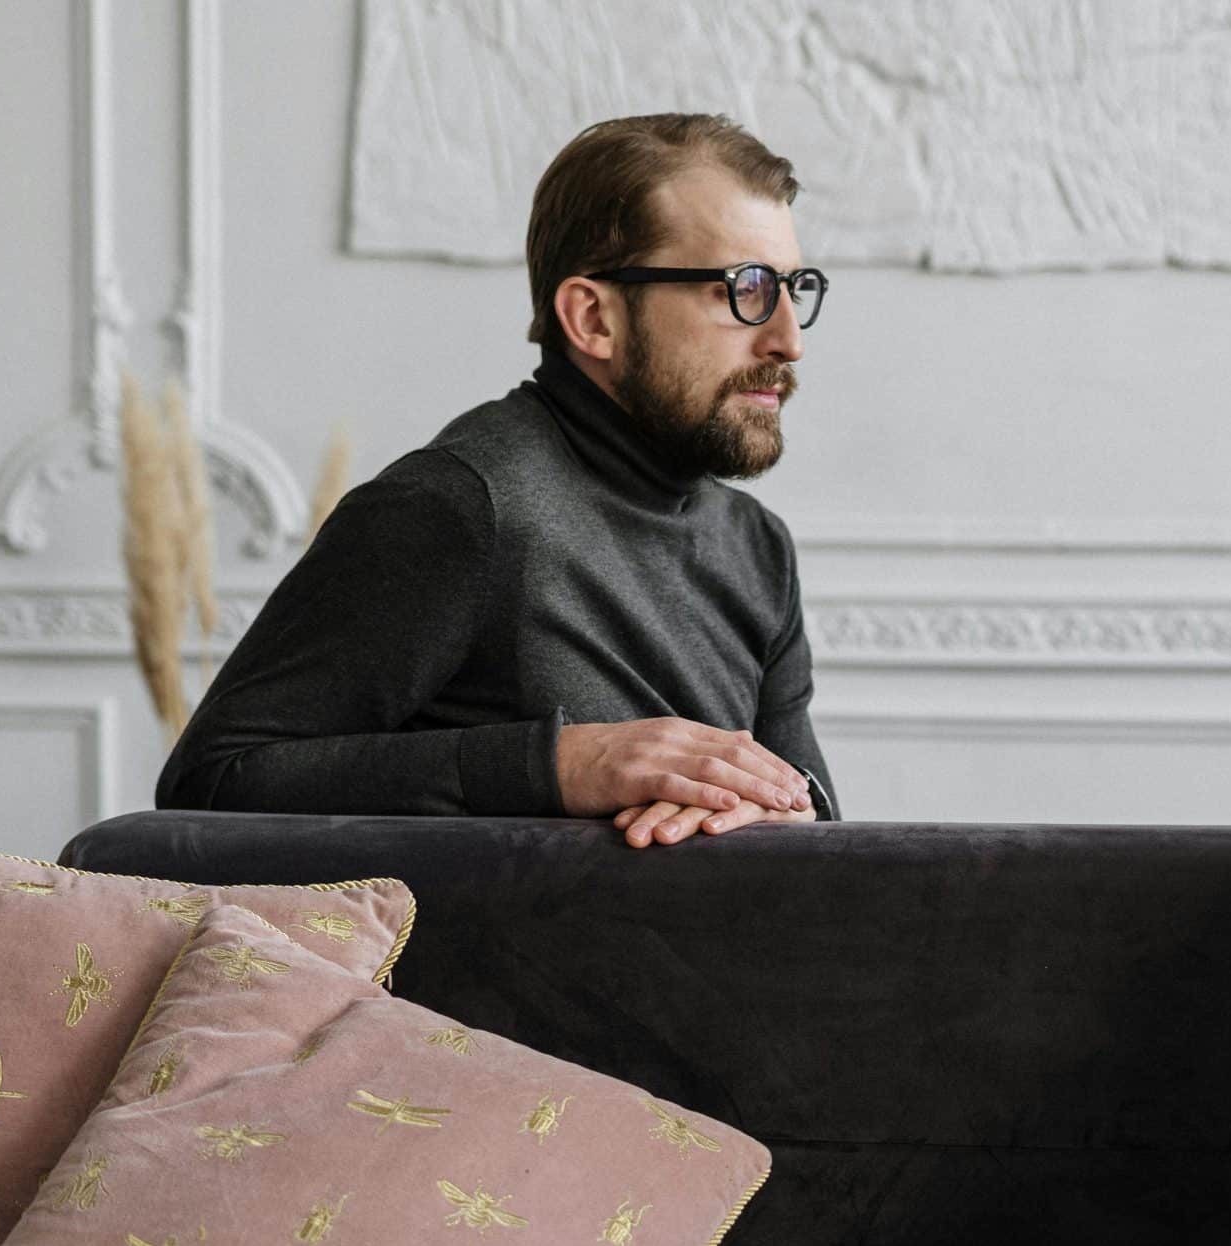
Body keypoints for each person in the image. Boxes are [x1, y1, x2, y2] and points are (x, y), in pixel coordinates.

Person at [159, 114, 837, 846]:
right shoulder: (456, 507)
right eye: (745, 288)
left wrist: (785, 812)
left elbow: (811, 813)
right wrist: (560, 764)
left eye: (793, 287)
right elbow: (213, 778)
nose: (788, 339)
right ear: (593, 318)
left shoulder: (759, 547)